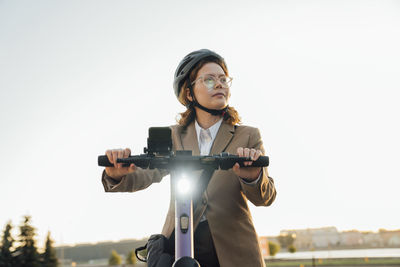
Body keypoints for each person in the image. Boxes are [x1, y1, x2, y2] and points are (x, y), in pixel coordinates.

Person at [102, 49, 277, 267]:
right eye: (210, 80)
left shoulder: (248, 135)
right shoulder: (174, 136)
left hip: (233, 252)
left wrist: (253, 177)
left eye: (223, 79)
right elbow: (146, 172)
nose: (220, 84)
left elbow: (266, 197)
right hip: (179, 246)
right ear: (189, 92)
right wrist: (116, 174)